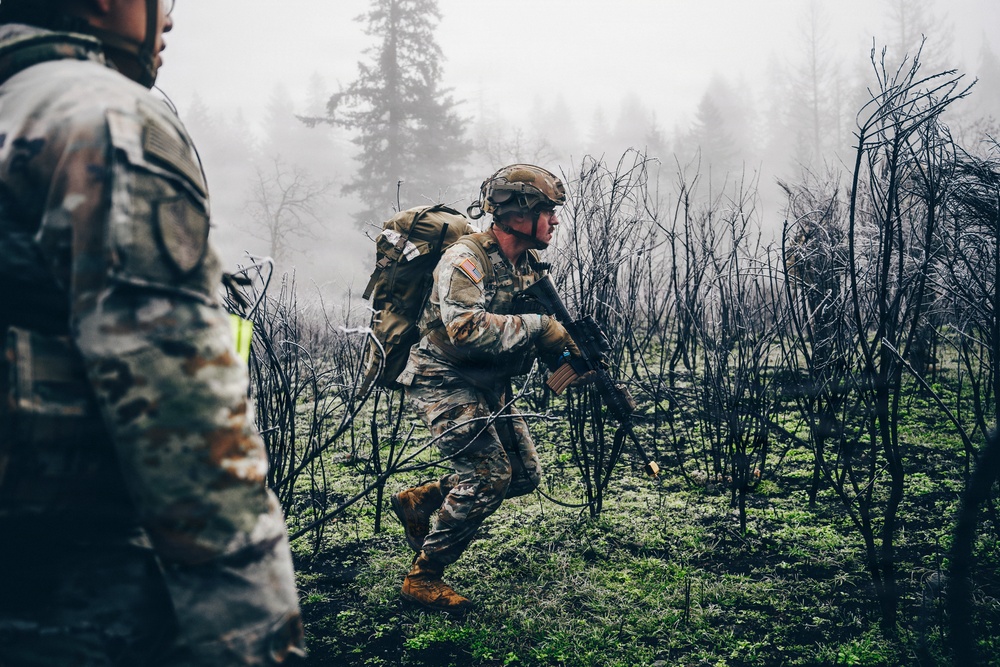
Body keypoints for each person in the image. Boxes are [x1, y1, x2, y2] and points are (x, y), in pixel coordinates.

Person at [0, 0, 305, 664]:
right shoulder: (101, 119)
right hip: (69, 602)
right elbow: (188, 435)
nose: (167, 16)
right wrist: (259, 642)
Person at [391, 164, 580, 611]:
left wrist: (569, 355)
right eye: (547, 211)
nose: (554, 220)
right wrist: (540, 327)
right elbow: (465, 328)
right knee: (490, 476)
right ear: (518, 213)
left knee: (524, 475)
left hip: (484, 379)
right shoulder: (465, 259)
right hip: (440, 377)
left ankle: (424, 498)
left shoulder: (525, 264)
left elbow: (538, 325)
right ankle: (422, 579)